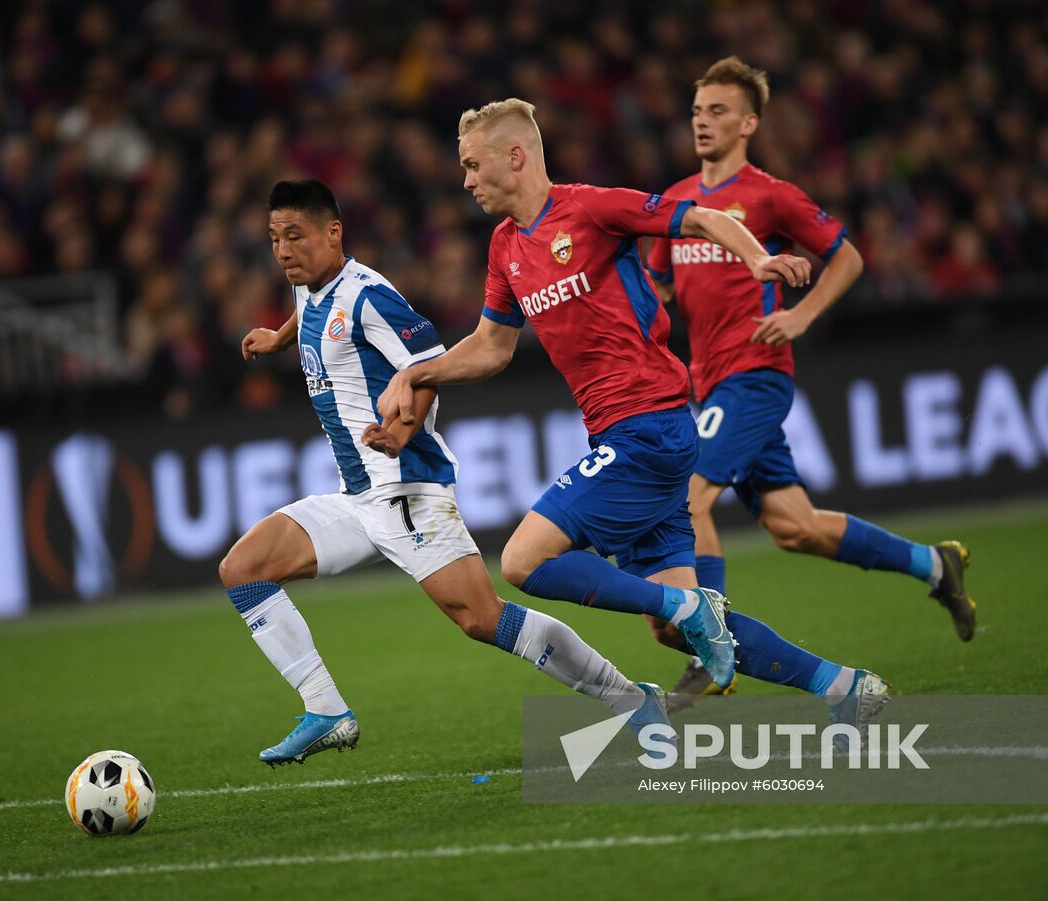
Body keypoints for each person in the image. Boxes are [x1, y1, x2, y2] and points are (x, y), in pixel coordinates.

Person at [378, 100, 890, 741]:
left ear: (516, 156)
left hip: (649, 425)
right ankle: (842, 687)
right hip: (625, 433)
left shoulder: (590, 208)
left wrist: (758, 260)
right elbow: (490, 348)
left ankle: (686, 602)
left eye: (472, 165)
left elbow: (698, 217)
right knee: (676, 631)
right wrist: (413, 374)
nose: (465, 180)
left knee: (522, 561)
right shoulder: (506, 246)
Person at [222, 179, 670, 766]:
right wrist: (279, 340)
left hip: (407, 487)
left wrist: (402, 432)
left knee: (482, 619)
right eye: (276, 239)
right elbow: (310, 315)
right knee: (244, 569)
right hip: (357, 497)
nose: (282, 251)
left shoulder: (369, 297)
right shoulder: (311, 288)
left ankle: (633, 700)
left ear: (334, 233)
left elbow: (428, 368)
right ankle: (326, 710)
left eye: (295, 237)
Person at [643, 59, 977, 710]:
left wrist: (800, 314)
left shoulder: (770, 195)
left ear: (749, 122)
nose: (703, 122)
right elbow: (657, 285)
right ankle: (934, 564)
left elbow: (848, 255)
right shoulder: (680, 200)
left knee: (687, 498)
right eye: (696, 111)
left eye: (717, 111)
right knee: (793, 526)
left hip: (755, 377)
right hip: (710, 387)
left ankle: (709, 650)